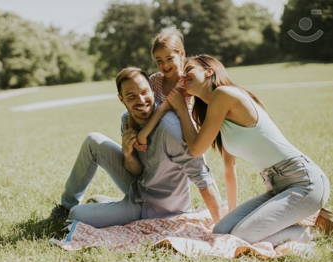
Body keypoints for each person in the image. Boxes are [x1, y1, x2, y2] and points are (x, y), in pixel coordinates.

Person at [140, 54, 331, 245]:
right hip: (277, 186)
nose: (182, 76)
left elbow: (196, 149)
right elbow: (229, 170)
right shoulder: (218, 115)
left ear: (208, 72)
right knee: (222, 230)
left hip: (304, 181)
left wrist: (182, 110)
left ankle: (310, 231)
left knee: (241, 236)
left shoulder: (224, 95)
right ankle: (299, 217)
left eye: (189, 69)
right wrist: (232, 214)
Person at [51, 67, 220, 228]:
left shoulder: (169, 128)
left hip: (157, 208)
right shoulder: (127, 120)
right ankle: (66, 206)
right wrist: (128, 154)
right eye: (131, 96)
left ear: (151, 90)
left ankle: (107, 206)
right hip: (141, 186)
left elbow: (201, 175)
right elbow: (137, 172)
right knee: (93, 141)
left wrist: (221, 224)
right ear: (121, 98)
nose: (141, 100)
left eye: (144, 92)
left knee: (76, 214)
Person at [128, 27, 223, 222]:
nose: (164, 65)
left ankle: (220, 221)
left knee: (202, 179)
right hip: (160, 142)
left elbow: (163, 110)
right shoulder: (155, 81)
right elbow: (150, 110)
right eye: (159, 61)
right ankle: (138, 205)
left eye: (169, 58)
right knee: (154, 180)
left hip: (185, 138)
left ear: (181, 54)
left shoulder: (187, 82)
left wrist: (145, 132)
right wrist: (138, 132)